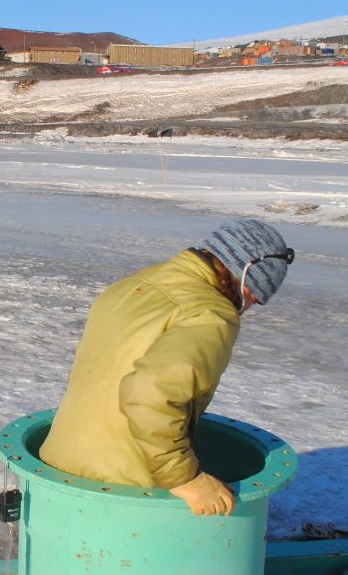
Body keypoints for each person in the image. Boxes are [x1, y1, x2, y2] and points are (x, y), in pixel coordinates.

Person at [39, 218, 294, 517]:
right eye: (255, 295)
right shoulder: (210, 314)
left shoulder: (135, 283)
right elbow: (150, 394)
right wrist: (184, 477)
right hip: (123, 487)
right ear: (245, 275)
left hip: (59, 462)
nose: (248, 307)